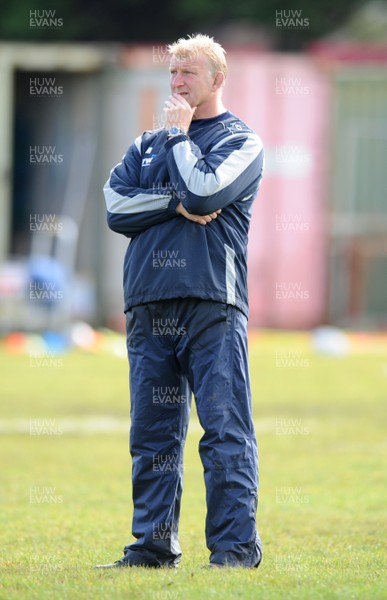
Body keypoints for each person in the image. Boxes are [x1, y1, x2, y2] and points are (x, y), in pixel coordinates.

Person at [96, 33, 264, 569]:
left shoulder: (242, 141)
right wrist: (174, 202)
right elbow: (117, 208)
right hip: (148, 303)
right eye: (171, 73)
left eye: (187, 73)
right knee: (151, 436)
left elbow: (206, 192)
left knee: (223, 432)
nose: (175, 83)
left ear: (217, 79)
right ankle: (152, 546)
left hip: (212, 301)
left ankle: (235, 550)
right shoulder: (144, 145)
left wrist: (178, 140)